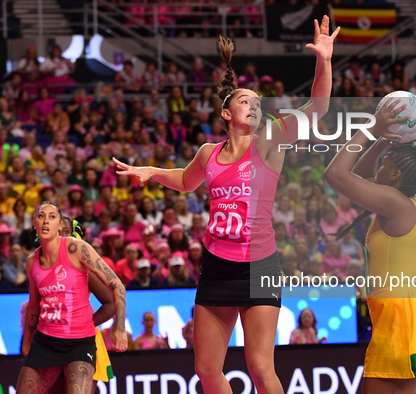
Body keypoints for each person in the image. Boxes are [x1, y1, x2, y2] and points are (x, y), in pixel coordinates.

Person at [113, 16, 340, 394]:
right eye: (244, 100)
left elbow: (317, 109)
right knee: (206, 369)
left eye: (257, 102)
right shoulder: (208, 154)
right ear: (226, 114)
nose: (253, 105)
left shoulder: (269, 142)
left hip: (259, 265)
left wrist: (324, 60)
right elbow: (186, 181)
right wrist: (151, 171)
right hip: (217, 267)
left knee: (260, 368)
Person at [324, 98, 416, 393]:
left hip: (402, 316)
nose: (379, 168)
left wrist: (373, 126)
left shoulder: (394, 204)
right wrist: (380, 142)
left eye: (385, 163)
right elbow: (358, 176)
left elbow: (336, 174)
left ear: (396, 175)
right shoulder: (410, 206)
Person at [16, 201, 128, 394]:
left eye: (52, 217)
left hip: (79, 341)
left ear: (60, 225)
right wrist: (27, 341)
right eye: (41, 216)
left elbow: (117, 285)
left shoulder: (77, 249)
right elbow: (34, 306)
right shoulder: (31, 262)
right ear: (34, 224)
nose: (46, 221)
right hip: (45, 341)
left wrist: (120, 328)